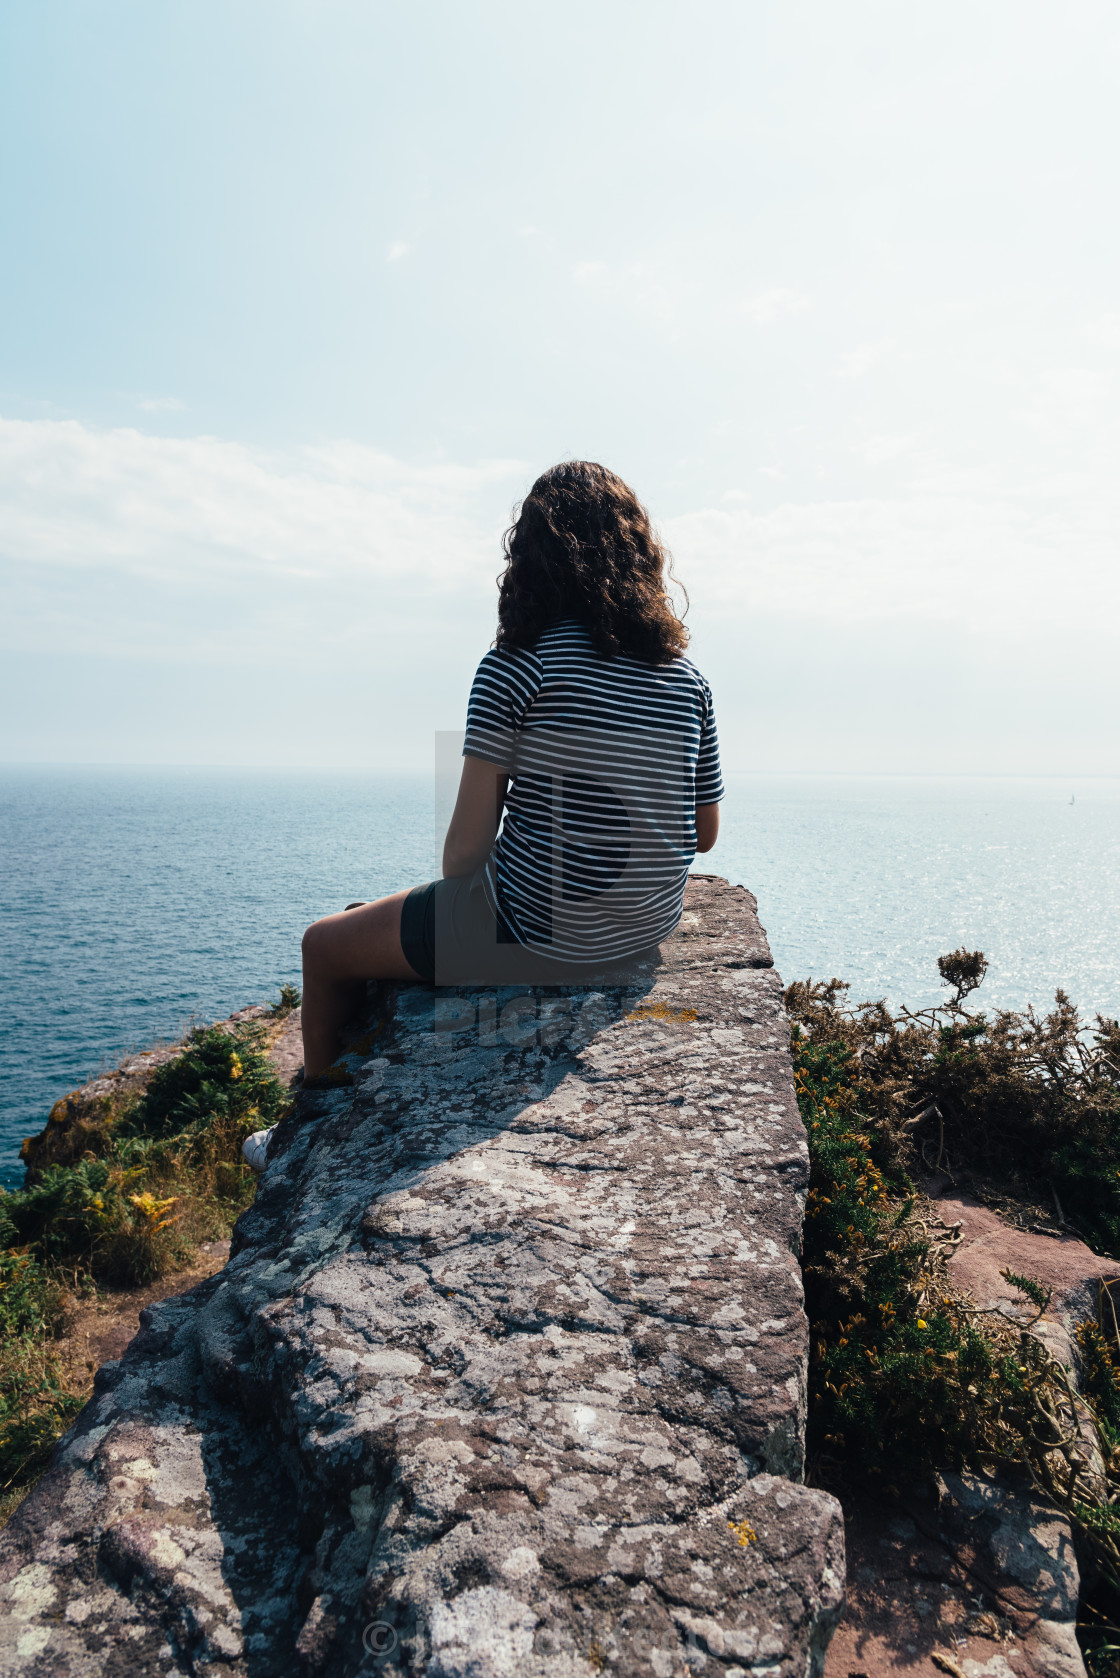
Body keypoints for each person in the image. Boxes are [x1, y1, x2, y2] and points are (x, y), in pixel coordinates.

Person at [243, 461, 722, 1171]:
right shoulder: (688, 681)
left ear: (528, 561)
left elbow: (465, 856)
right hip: (641, 934)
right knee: (376, 917)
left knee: (325, 943)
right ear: (640, 557)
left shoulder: (516, 667)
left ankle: (302, 1142)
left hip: (530, 931)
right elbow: (704, 834)